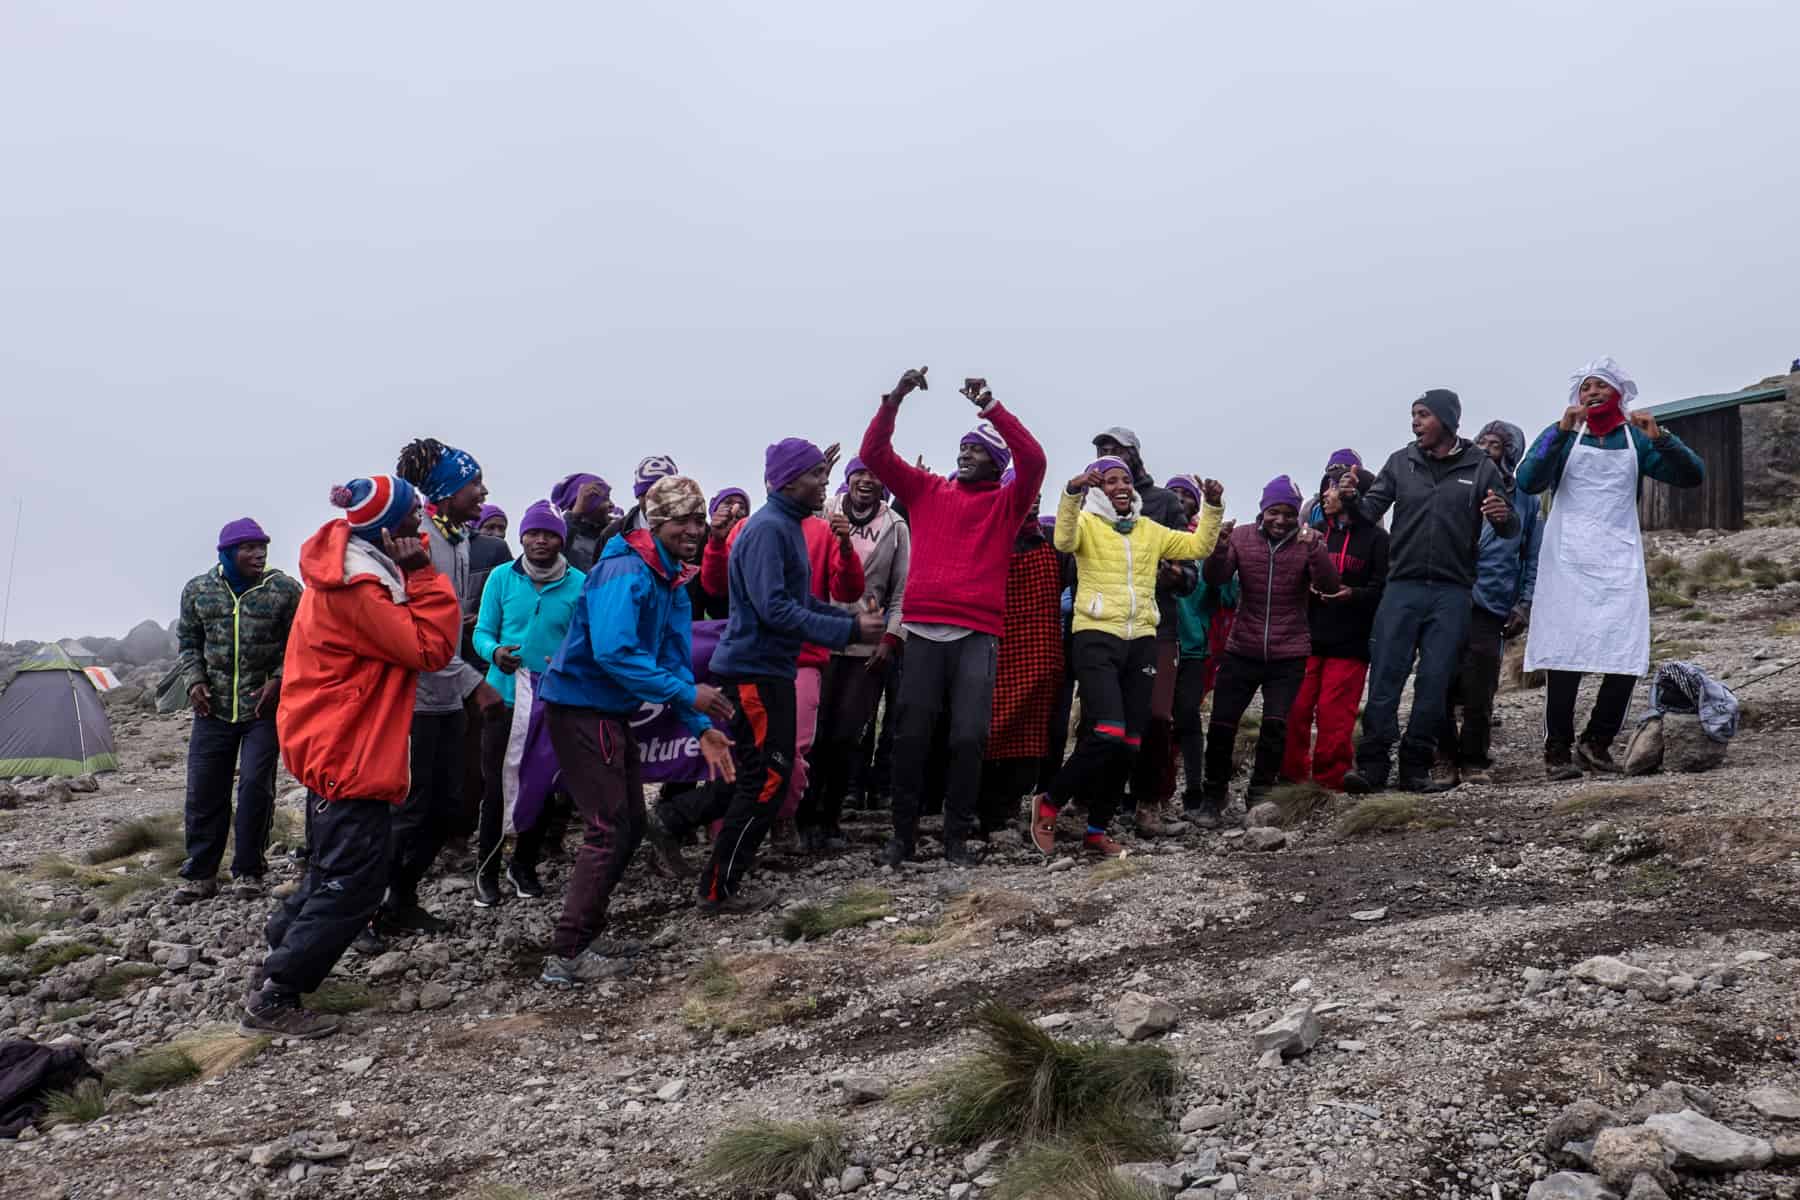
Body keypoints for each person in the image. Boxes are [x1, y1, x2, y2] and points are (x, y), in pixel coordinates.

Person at [244, 474, 459, 1038]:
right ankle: (277, 994)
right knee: (355, 883)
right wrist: (421, 574)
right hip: (349, 748)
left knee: (333, 868)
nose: (423, 526)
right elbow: (431, 647)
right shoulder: (359, 588)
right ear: (392, 529)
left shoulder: (347, 568)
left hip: (337, 740)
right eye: (416, 517)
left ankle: (278, 951)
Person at [649, 440, 885, 912]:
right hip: (755, 672)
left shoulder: (787, 527)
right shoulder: (768, 531)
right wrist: (847, 628)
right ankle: (717, 888)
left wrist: (848, 619)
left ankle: (672, 821)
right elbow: (774, 608)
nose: (825, 482)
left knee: (751, 776)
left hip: (768, 669)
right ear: (789, 480)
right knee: (769, 778)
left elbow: (795, 600)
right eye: (817, 474)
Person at [537, 477, 737, 981]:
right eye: (681, 521)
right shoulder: (626, 568)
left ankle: (585, 937)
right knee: (608, 829)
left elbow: (672, 657)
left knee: (625, 826)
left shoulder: (670, 575)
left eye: (698, 519)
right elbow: (613, 651)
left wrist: (699, 726)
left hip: (607, 710)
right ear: (655, 520)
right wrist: (689, 697)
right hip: (582, 707)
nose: (693, 529)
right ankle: (567, 955)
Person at [859, 369, 1047, 867]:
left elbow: (1034, 459)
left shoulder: (1008, 504)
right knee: (912, 735)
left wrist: (990, 408)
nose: (966, 455)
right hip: (920, 630)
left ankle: (956, 840)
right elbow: (875, 455)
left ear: (996, 463)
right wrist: (894, 400)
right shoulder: (925, 490)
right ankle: (901, 839)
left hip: (977, 635)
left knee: (968, 737)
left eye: (978, 450)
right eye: (963, 449)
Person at [1521, 358, 1703, 778]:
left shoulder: (1635, 440)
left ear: (1619, 393)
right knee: (1565, 655)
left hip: (1617, 557)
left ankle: (1597, 740)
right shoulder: (1565, 436)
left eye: (1601, 386)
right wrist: (1557, 431)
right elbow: (1528, 480)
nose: (1592, 393)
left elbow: (1692, 475)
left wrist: (1664, 439)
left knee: (1624, 651)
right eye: (1585, 388)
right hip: (1567, 559)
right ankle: (1557, 750)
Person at [1031, 458, 1224, 855]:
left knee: (1131, 741)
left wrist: (1212, 507)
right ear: (1098, 487)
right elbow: (1063, 540)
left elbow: (1198, 547)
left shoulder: (1149, 530)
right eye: (1110, 480)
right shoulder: (1086, 523)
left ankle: (1097, 831)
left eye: (1126, 480)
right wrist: (1072, 490)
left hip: (1142, 640)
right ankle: (1049, 802)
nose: (1120, 486)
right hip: (1096, 635)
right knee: (1108, 730)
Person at [1343, 389, 1519, 795]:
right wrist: (1352, 501)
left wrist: (1503, 515)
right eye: (1413, 415)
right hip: (1401, 586)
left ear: (1446, 419)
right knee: (1386, 675)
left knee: (1434, 680)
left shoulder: (1479, 467)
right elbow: (1370, 513)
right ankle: (1371, 766)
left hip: (1452, 591)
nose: (1415, 423)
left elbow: (1509, 528)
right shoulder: (1400, 462)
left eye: (1422, 415)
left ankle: (1416, 769)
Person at [364, 438, 503, 947]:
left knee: (447, 804)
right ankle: (371, 908)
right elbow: (418, 629)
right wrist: (476, 683)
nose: (483, 491)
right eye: (474, 483)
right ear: (445, 490)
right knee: (413, 808)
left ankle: (402, 900)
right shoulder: (415, 541)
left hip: (447, 692)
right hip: (416, 698)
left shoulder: (459, 538)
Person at [702, 466, 866, 849]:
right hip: (754, 659)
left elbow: (846, 589)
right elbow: (716, 585)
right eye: (817, 477)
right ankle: (725, 828)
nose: (824, 486)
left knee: (790, 750)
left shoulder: (822, 530)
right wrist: (713, 542)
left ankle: (782, 818)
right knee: (745, 748)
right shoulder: (754, 528)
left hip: (803, 658)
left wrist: (845, 548)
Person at [172, 519, 303, 903]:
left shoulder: (283, 590)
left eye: (262, 546)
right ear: (227, 553)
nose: (259, 553)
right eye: (248, 547)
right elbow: (188, 642)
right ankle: (199, 875)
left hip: (262, 710)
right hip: (211, 710)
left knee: (254, 790)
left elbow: (300, 643)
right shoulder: (198, 590)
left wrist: (278, 680)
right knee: (204, 792)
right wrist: (193, 680)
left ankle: (248, 870)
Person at [1197, 476, 1338, 819]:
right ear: (1263, 511)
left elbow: (1329, 585)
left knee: (1275, 727)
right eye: (1275, 512)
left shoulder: (1310, 541)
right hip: (1242, 648)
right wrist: (1218, 547)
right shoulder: (1242, 537)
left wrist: (1317, 551)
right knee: (1221, 725)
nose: (1281, 520)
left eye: (1289, 514)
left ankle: (1259, 795)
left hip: (1288, 653)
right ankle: (1213, 796)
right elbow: (1216, 578)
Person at [469, 500, 586, 907]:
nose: (541, 540)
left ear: (561, 539)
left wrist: (565, 663)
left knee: (541, 783)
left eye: (550, 533)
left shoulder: (578, 583)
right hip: (502, 698)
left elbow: (581, 639)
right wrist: (495, 652)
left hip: (552, 700)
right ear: (522, 537)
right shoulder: (502, 577)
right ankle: (486, 870)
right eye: (534, 533)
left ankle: (524, 865)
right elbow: (481, 632)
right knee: (496, 785)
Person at [1090, 428, 1198, 828]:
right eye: (1101, 451)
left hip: (1157, 627)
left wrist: (1166, 572)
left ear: (1135, 456)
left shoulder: (1164, 503)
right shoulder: (1088, 506)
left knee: (1155, 716)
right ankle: (1091, 800)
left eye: (1115, 450)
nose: (1107, 457)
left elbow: (1189, 578)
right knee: (1100, 716)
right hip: (1103, 626)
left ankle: (1148, 801)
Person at [807, 459, 909, 849]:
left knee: (846, 735)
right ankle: (804, 819)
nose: (867, 480)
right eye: (859, 473)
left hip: (867, 647)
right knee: (814, 734)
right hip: (820, 637)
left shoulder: (895, 527)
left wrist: (891, 638)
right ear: (847, 478)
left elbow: (900, 591)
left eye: (874, 473)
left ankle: (830, 820)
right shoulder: (825, 511)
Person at [1435, 421, 1542, 784]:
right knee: (1439, 682)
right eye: (1481, 442)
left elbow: (1532, 557)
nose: (1484, 449)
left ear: (1510, 455)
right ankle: (1443, 758)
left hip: (1492, 602)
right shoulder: (1451, 485)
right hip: (1444, 597)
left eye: (1495, 445)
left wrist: (1523, 604)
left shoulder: (1525, 498)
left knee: (1480, 686)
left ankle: (1474, 760)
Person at [1281, 464, 1389, 793]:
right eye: (1327, 487)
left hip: (1350, 643)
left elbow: (1383, 589)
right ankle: (1292, 779)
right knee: (1296, 708)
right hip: (1308, 638)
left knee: (1335, 714)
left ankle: (1330, 781)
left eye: (1333, 489)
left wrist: (1352, 594)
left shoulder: (1378, 540)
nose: (1326, 494)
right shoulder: (1314, 532)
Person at [977, 502, 1064, 838]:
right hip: (994, 642)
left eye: (1036, 497)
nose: (1031, 504)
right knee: (989, 725)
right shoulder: (987, 539)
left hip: (1037, 650)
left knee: (1031, 732)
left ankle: (1011, 802)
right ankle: (983, 807)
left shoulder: (1052, 543)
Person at [1162, 478, 1239, 819]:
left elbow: (1227, 594)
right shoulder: (1149, 538)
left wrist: (1221, 555)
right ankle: (1151, 791)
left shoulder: (1205, 547)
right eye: (1173, 495)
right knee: (1153, 720)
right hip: (1154, 645)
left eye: (1187, 496)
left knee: (1187, 717)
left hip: (1193, 647)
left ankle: (1194, 789)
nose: (1179, 501)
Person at [692, 487, 751, 619]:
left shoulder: (753, 540)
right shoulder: (697, 538)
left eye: (742, 506)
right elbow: (714, 588)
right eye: (728, 503)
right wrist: (717, 542)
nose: (735, 508)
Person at [552, 473, 615, 574]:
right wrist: (574, 515)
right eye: (605, 499)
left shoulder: (612, 535)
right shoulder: (568, 540)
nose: (612, 505)